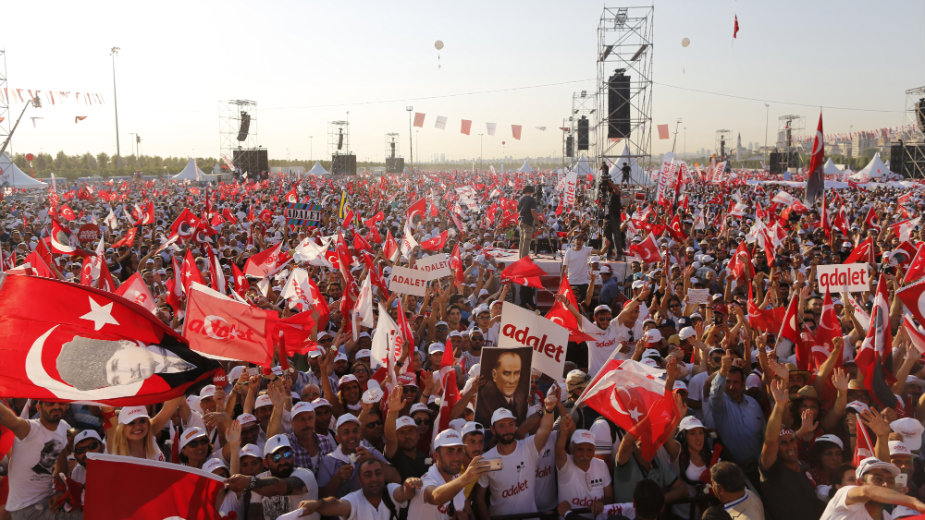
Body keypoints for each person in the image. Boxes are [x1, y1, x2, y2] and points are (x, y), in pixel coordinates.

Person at [473, 390, 559, 518]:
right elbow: (479, 497)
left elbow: (545, 430)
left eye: (511, 424)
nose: (507, 430)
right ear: (493, 430)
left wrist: (549, 409)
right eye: (501, 426)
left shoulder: (529, 447)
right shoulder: (486, 460)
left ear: (515, 426)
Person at [0, 400, 73, 520]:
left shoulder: (64, 428)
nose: (56, 406)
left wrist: (59, 491)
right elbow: (9, 419)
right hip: (23, 509)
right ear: (39, 408)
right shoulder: (29, 429)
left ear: (67, 406)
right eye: (50, 403)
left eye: (61, 403)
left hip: (48, 503)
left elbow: (61, 465)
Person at [286, 458, 421, 520]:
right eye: (368, 475)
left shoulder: (390, 490)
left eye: (378, 473)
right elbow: (337, 504)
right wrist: (318, 505)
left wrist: (410, 485)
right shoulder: (354, 499)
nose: (374, 478)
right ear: (359, 481)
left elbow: (403, 493)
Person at [225, 434, 320, 520]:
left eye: (287, 455)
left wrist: (249, 482)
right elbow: (254, 513)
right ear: (265, 463)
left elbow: (279, 487)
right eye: (276, 457)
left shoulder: (305, 475)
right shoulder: (260, 479)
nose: (283, 461)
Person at [406, 429, 490, 519]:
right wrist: (466, 478)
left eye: (459, 450)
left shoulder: (455, 477)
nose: (457, 457)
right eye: (450, 451)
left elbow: (460, 512)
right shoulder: (427, 480)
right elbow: (435, 496)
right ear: (436, 456)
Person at [54, 337, 196, 390]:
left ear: (124, 344)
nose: (127, 372)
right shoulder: (162, 393)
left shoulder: (173, 337)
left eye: (116, 364)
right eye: (116, 379)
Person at [819, 457, 925, 520]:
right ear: (860, 483)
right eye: (878, 479)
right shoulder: (843, 494)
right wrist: (914, 502)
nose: (885, 485)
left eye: (890, 480)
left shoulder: (887, 517)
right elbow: (867, 491)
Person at [554, 415, 613, 517]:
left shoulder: (601, 465)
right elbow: (559, 451)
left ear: (594, 450)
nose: (585, 455)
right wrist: (563, 431)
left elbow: (610, 497)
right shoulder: (565, 464)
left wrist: (601, 503)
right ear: (572, 449)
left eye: (589, 450)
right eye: (580, 449)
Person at [476, 349, 528, 425]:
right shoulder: (483, 400)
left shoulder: (522, 397)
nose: (512, 381)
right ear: (494, 374)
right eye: (507, 373)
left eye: (516, 373)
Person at [517, 185, 539, 259]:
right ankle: (524, 258)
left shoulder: (521, 198)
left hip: (521, 221)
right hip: (528, 221)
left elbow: (517, 210)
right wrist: (538, 222)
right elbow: (533, 211)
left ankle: (521, 257)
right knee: (527, 241)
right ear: (531, 191)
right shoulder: (532, 199)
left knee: (522, 240)